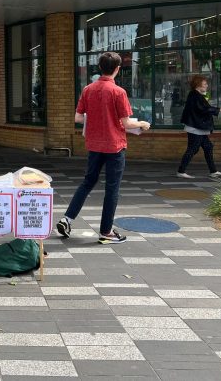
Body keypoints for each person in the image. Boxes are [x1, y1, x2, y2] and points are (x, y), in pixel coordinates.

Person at [56, 52, 150, 245]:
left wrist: (97, 119)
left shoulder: (88, 89)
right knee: (112, 189)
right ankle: (106, 231)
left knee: (87, 182)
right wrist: (142, 124)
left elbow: (78, 118)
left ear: (100, 67)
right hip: (114, 146)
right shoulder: (118, 92)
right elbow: (125, 123)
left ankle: (67, 219)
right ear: (117, 69)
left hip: (94, 145)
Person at [176, 75, 221, 179]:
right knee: (193, 148)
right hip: (195, 128)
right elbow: (203, 109)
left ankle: (213, 171)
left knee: (207, 147)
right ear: (198, 85)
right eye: (205, 84)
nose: (207, 86)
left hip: (198, 127)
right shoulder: (195, 95)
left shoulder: (196, 95)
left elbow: (204, 108)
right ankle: (181, 171)